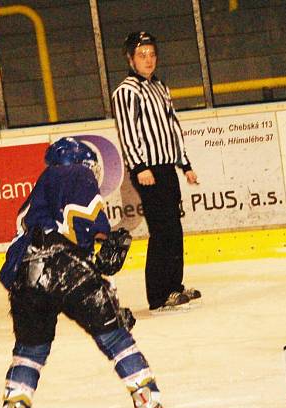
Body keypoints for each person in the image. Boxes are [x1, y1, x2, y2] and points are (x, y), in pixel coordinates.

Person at [0, 137, 174, 408]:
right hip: (64, 267)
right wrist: (105, 241)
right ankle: (149, 404)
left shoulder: (38, 192)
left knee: (30, 351)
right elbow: (83, 221)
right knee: (116, 337)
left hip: (25, 276)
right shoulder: (75, 173)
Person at [112, 31, 201, 312]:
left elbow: (173, 127)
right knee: (162, 230)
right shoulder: (126, 91)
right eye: (142, 55)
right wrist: (140, 167)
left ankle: (174, 286)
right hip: (147, 170)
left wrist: (184, 164)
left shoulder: (160, 87)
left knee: (173, 227)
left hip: (166, 167)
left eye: (152, 54)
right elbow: (127, 132)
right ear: (130, 59)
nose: (148, 60)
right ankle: (158, 295)